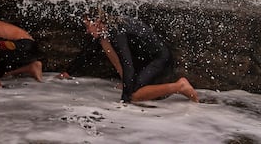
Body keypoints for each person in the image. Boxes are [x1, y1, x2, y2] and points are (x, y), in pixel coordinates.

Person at [58, 10, 198, 103]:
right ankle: (129, 84)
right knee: (102, 41)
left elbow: (127, 62)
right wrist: (69, 71)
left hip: (159, 59)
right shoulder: (107, 30)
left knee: (134, 96)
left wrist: (125, 98)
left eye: (88, 26)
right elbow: (89, 52)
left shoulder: (118, 31)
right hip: (145, 59)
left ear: (99, 22)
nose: (87, 30)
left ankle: (180, 86)